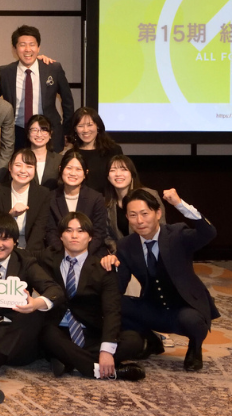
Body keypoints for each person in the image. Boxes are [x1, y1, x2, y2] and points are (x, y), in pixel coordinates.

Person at [0, 212, 64, 404]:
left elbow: (54, 290)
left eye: (5, 239)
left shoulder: (25, 260)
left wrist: (36, 303)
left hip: (17, 333)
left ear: (15, 241)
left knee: (35, 313)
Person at [110, 188, 216, 372]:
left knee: (191, 320)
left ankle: (195, 346)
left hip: (186, 307)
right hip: (153, 307)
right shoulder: (126, 245)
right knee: (116, 304)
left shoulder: (177, 234)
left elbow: (209, 233)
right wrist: (109, 268)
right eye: (133, 215)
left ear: (158, 213)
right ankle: (152, 341)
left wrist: (179, 204)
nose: (139, 221)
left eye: (145, 214)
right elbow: (118, 285)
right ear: (127, 217)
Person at [38, 213, 145, 382]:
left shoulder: (103, 266)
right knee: (46, 334)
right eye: (69, 230)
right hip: (59, 331)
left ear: (90, 237)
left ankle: (69, 360)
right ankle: (99, 370)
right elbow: (22, 257)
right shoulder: (47, 258)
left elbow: (111, 310)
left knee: (133, 340)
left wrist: (106, 351)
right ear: (61, 236)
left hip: (90, 330)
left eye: (80, 231)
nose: (74, 235)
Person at [0, 25, 74, 151]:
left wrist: (67, 131)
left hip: (48, 131)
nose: (28, 49)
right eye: (22, 45)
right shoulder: (4, 72)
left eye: (32, 44)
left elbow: (68, 102)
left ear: (38, 47)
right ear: (15, 48)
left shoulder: (53, 69)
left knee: (51, 164)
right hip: (16, 133)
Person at [0, 148, 51, 254]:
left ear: (35, 169)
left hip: (32, 252)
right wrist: (10, 216)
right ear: (10, 167)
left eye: (29, 166)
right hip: (2, 249)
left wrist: (27, 257)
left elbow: (39, 230)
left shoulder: (43, 194)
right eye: (18, 165)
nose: (23, 170)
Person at [46, 151, 109, 254]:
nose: (73, 173)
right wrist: (66, 255)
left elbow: (99, 233)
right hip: (59, 254)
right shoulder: (51, 198)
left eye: (78, 169)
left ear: (85, 173)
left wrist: (82, 255)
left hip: (90, 253)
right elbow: (51, 232)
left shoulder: (96, 198)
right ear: (60, 169)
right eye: (69, 168)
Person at [104, 155, 163, 249]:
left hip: (151, 250)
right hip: (121, 254)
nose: (118, 174)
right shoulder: (106, 203)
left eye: (123, 169)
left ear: (132, 174)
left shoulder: (148, 194)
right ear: (108, 177)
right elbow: (108, 236)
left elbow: (161, 226)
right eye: (113, 170)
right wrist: (120, 253)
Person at [64, 107, 122, 193]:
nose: (85, 130)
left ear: (98, 126)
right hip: (81, 199)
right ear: (75, 129)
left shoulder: (113, 150)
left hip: (108, 199)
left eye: (90, 125)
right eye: (80, 126)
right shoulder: (72, 154)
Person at [25, 114, 62, 189]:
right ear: (28, 134)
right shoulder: (20, 158)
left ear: (50, 134)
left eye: (44, 130)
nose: (39, 134)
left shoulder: (59, 160)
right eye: (34, 130)